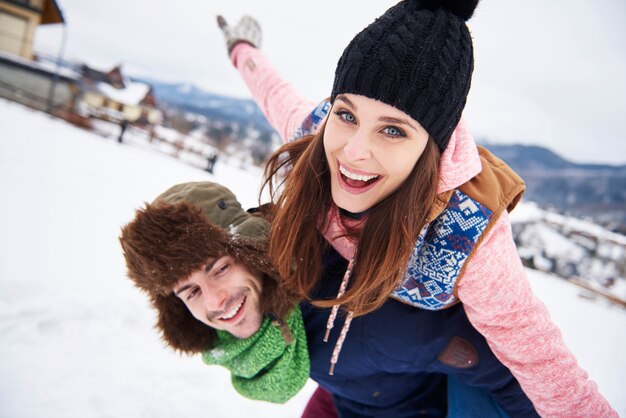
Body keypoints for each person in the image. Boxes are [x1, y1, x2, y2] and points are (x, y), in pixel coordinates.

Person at [216, 2, 618, 417]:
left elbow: (543, 361)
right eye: (347, 113)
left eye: (393, 129)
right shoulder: (317, 138)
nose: (353, 152)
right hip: (342, 391)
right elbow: (274, 92)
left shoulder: (466, 231)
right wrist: (242, 49)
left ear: (433, 148)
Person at [119, 181, 309, 404]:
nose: (216, 302)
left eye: (221, 269)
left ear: (255, 253)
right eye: (191, 292)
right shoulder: (232, 348)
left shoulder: (332, 297)